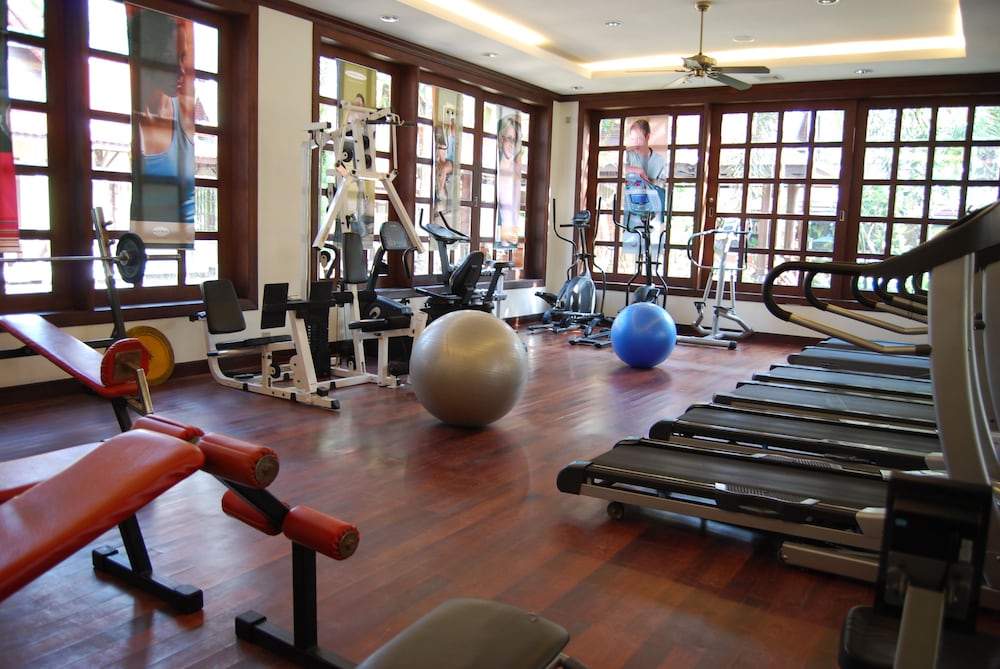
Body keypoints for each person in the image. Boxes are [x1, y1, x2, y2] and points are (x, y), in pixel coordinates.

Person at [129, 8, 196, 238]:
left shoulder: (185, 114)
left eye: (183, 57)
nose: (180, 70)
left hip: (178, 239)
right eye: (169, 58)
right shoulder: (133, 124)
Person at [496, 113, 522, 249]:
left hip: (509, 237)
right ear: (501, 139)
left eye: (515, 140)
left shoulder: (516, 172)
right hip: (494, 235)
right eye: (509, 139)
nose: (512, 145)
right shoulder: (492, 170)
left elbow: (515, 210)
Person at [624, 118, 667, 187]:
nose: (635, 143)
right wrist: (639, 171)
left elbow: (662, 185)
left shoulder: (659, 160)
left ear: (647, 137)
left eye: (639, 138)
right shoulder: (627, 156)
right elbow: (617, 170)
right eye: (633, 139)